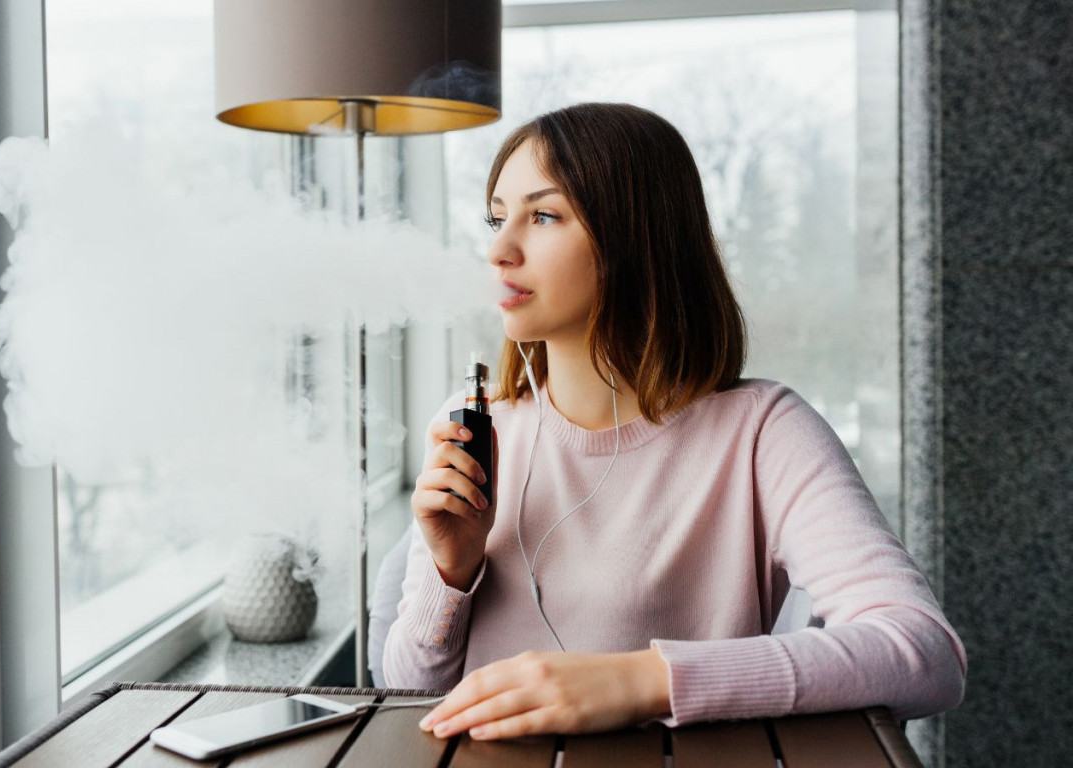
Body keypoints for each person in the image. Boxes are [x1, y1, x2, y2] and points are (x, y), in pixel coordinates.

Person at [381, 102, 967, 742]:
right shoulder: (474, 424)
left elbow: (924, 654)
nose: (498, 249)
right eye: (496, 218)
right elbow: (409, 700)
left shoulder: (762, 432)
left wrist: (639, 682)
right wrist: (452, 570)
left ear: (638, 238)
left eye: (543, 216)